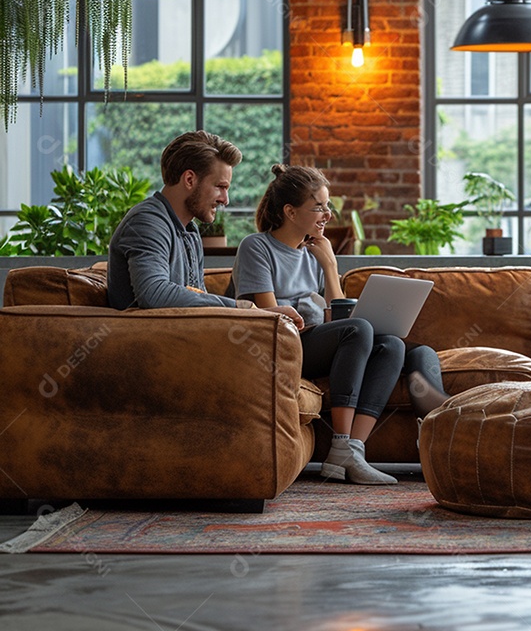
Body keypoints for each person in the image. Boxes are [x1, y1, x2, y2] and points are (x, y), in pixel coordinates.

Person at [231, 164, 450, 486]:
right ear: (290, 212)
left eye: (327, 205)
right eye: (318, 206)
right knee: (359, 329)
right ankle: (341, 443)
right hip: (284, 344)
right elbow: (269, 316)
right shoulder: (257, 247)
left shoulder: (314, 255)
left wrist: (330, 266)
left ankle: (352, 451)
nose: (328, 214)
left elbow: (339, 319)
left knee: (392, 345)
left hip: (320, 341)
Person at [107, 130, 303, 331]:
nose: (225, 200)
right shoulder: (147, 222)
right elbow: (154, 294)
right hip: (150, 341)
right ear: (189, 180)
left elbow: (197, 298)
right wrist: (243, 308)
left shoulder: (190, 231)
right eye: (220, 186)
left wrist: (258, 314)